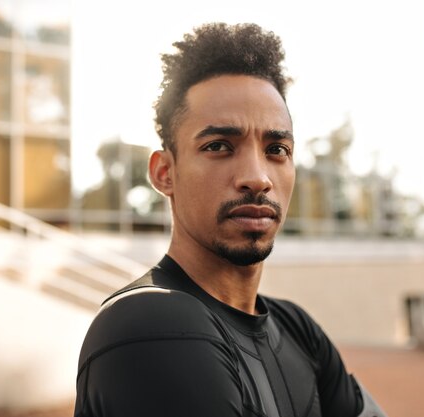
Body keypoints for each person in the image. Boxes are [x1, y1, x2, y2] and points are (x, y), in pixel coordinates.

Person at [74, 22, 387, 417]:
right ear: (164, 173)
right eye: (219, 146)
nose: (257, 177)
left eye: (276, 148)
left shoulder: (296, 329)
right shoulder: (151, 323)